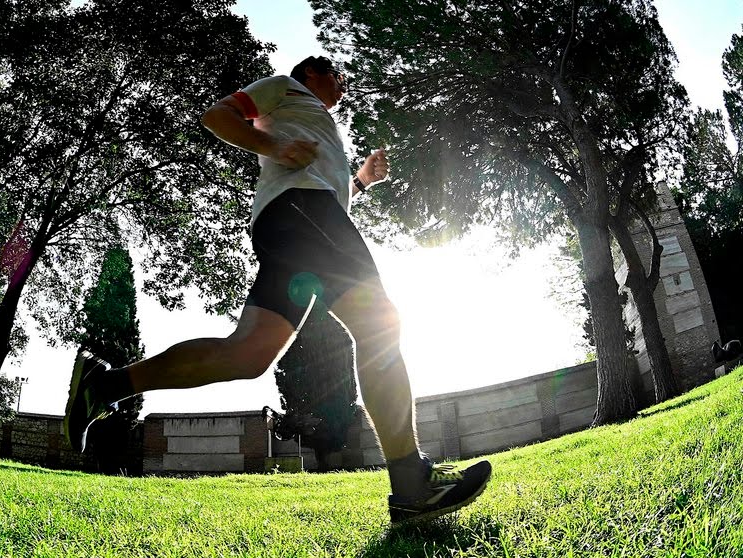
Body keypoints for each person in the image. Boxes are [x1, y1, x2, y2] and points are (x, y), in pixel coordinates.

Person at [64, 56, 491, 523]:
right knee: (380, 324)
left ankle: (103, 385)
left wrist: (361, 179)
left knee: (248, 354)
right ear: (311, 72)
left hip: (299, 221)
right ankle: (412, 484)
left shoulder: (316, 119)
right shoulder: (284, 87)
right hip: (302, 212)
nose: (342, 82)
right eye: (335, 73)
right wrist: (272, 144)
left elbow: (327, 180)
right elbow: (217, 115)